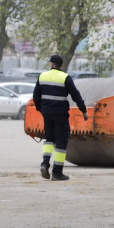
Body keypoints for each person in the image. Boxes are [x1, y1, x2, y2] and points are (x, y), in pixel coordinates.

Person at [32, 54, 89, 182]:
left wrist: (41, 109)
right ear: (61, 65)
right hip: (60, 114)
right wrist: (84, 111)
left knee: (49, 139)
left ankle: (45, 163)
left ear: (51, 64)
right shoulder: (65, 78)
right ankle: (57, 172)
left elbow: (36, 96)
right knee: (61, 142)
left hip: (47, 113)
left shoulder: (42, 76)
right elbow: (76, 95)